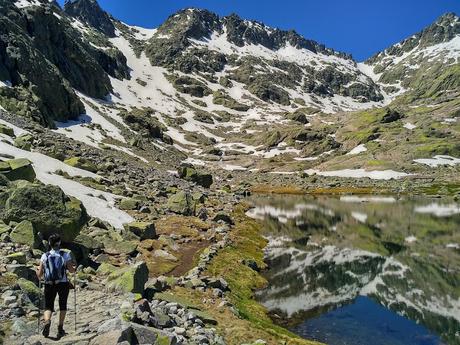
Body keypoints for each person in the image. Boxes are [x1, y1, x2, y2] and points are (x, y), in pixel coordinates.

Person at [36, 233, 76, 338]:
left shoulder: (44, 256)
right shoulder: (65, 255)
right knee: (63, 305)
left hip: (49, 283)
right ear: (59, 243)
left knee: (48, 306)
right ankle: (60, 328)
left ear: (49, 243)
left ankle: (47, 321)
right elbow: (71, 271)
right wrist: (74, 268)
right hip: (62, 283)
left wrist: (38, 271)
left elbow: (39, 275)